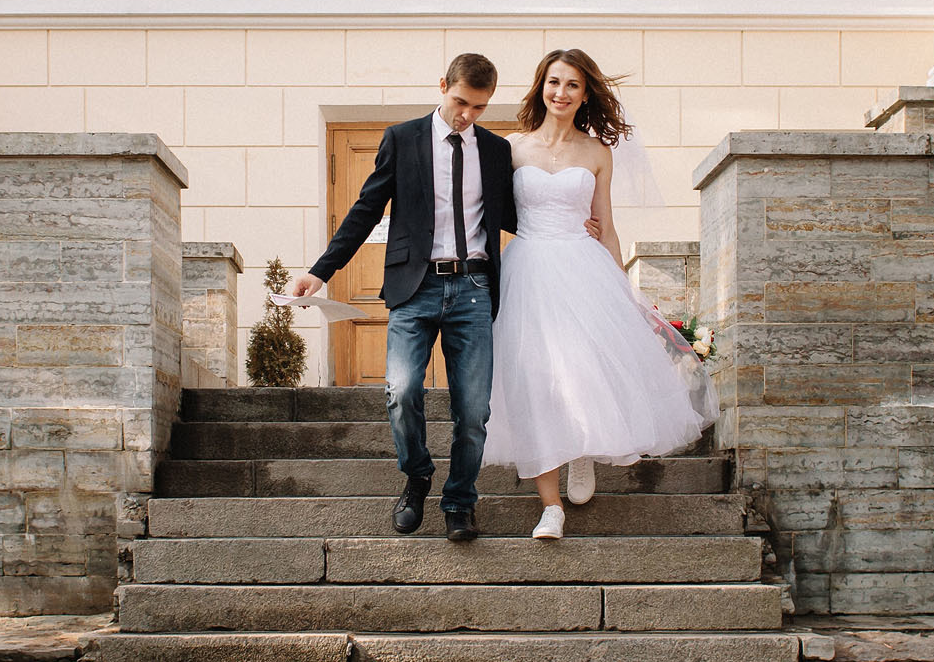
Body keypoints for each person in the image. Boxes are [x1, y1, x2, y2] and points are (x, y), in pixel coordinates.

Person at [483, 48, 715, 540]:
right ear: (540, 87)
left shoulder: (595, 153)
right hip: (528, 268)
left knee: (586, 370)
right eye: (553, 82)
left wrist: (623, 290)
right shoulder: (512, 147)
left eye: (571, 85)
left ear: (585, 94)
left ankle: (581, 450)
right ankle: (550, 508)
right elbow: (488, 213)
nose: (560, 93)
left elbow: (606, 227)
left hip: (582, 266)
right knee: (534, 381)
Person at [289, 54, 518, 542]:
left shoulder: (496, 151)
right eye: (460, 102)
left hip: (474, 288)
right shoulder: (403, 138)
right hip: (414, 288)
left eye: (478, 107)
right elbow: (366, 209)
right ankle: (417, 476)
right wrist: (320, 271)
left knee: (474, 410)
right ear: (442, 86)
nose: (466, 115)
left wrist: (575, 227)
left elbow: (516, 215)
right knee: (401, 390)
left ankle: (460, 501)